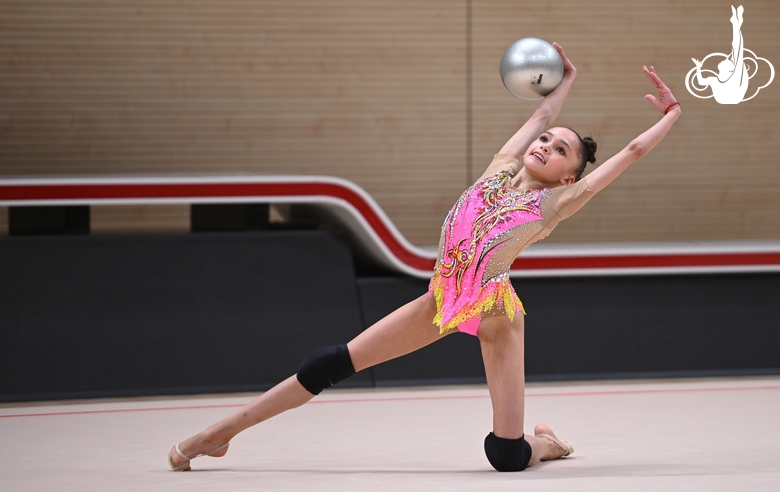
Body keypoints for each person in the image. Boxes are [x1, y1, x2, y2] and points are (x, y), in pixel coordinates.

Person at [168, 42, 681, 472]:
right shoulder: (500, 168)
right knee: (330, 362)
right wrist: (567, 76)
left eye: (561, 151)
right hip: (442, 298)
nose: (546, 145)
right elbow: (542, 112)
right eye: (546, 140)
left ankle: (547, 444)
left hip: (494, 313)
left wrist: (671, 116)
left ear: (569, 176)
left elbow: (631, 151)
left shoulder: (556, 202)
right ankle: (219, 432)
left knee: (505, 455)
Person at [692, 5, 748, 104]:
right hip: (727, 97)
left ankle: (736, 23)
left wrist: (736, 25)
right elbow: (701, 82)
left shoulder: (735, 77)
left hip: (733, 96)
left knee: (737, 51)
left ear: (729, 69)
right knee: (737, 51)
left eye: (728, 61)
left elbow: (738, 48)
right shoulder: (714, 80)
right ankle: (736, 23)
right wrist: (698, 67)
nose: (725, 59)